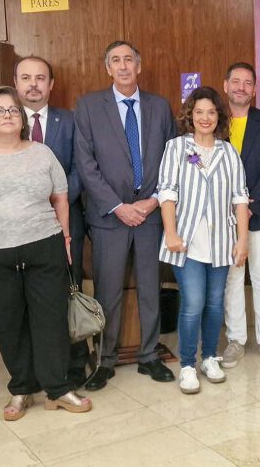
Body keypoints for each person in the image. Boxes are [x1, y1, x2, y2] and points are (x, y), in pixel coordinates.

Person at [0, 86, 90, 421]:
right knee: (7, 322)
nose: (8, 115)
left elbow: (61, 199)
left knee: (51, 319)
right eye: (0, 110)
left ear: (23, 119)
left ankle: (57, 388)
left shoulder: (42, 153)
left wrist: (65, 238)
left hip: (44, 246)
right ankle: (22, 388)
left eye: (14, 110)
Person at [74, 41, 177, 391]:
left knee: (151, 288)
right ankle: (105, 359)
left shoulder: (160, 107)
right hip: (109, 217)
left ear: (139, 65)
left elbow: (172, 160)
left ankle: (149, 355)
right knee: (108, 292)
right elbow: (86, 166)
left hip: (150, 215)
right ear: (107, 68)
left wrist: (151, 202)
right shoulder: (88, 107)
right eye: (115, 61)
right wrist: (118, 206)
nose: (123, 66)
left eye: (128, 60)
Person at [157, 86, 249, 394]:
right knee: (193, 303)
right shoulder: (176, 148)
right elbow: (167, 193)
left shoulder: (228, 151)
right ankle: (187, 364)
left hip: (222, 242)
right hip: (186, 242)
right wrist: (170, 232)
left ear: (219, 116)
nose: (205, 118)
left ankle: (209, 357)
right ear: (190, 115)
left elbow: (240, 198)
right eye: (199, 112)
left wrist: (242, 240)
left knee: (214, 304)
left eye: (211, 112)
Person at [14, 55, 89, 389]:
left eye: (40, 78)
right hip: (18, 225)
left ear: (51, 84)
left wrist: (57, 200)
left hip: (66, 220)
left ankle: (75, 362)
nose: (33, 84)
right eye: (26, 78)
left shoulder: (71, 121)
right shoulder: (3, 121)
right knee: (26, 296)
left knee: (70, 291)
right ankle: (31, 367)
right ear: (16, 83)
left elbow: (81, 167)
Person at [221, 62, 260, 368]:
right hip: (222, 216)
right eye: (236, 82)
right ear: (226, 86)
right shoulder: (213, 121)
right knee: (232, 277)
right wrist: (230, 206)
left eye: (248, 83)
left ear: (255, 90)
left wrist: (248, 203)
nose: (241, 88)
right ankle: (235, 339)